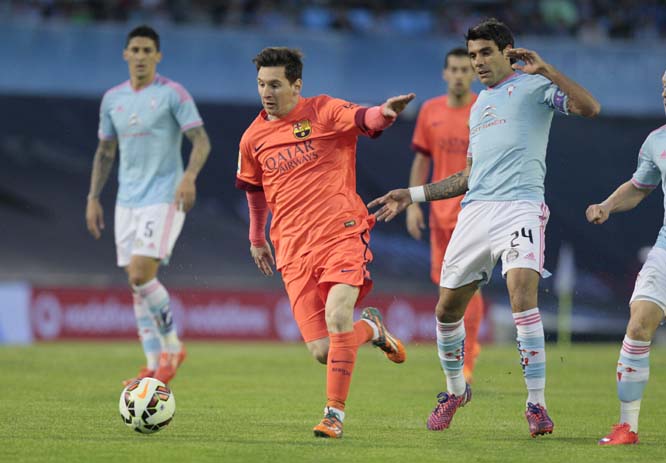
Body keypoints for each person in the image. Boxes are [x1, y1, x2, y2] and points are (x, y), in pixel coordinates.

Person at [368, 18, 600, 437]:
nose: (477, 62)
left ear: (508, 51)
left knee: (521, 297)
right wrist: (412, 194)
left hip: (521, 208)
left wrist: (547, 69)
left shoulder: (535, 89)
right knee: (446, 310)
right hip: (475, 212)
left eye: (485, 53)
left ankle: (536, 404)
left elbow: (589, 108)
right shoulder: (479, 106)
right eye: (472, 55)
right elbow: (467, 178)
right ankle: (456, 391)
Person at [235, 47, 413, 438]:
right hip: (292, 250)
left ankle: (334, 414)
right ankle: (371, 329)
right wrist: (256, 237)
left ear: (296, 84)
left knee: (336, 317)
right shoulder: (253, 138)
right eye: (262, 84)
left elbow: (362, 119)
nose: (267, 92)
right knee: (322, 351)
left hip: (341, 232)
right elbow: (254, 190)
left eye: (275, 84)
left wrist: (385, 112)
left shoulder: (323, 111)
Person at [85, 25, 211, 385]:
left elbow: (201, 142)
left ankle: (173, 347)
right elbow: (105, 151)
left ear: (158, 56)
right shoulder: (112, 100)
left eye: (147, 50)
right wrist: (94, 197)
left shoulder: (173, 94)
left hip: (165, 195)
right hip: (126, 201)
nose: (140, 56)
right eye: (135, 50)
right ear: (125, 54)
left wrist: (189, 177)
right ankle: (153, 366)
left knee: (141, 273)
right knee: (135, 284)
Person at [588, 71, 666, 446]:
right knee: (637, 327)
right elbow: (639, 187)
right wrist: (607, 205)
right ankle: (627, 426)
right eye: (665, 87)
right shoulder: (656, 142)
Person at [407, 47, 485, 382]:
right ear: (444, 73)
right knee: (445, 289)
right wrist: (413, 203)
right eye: (453, 69)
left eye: (464, 70)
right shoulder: (430, 111)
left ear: (474, 74)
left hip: (475, 209)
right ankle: (461, 354)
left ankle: (466, 360)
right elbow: (423, 159)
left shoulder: (484, 107)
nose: (458, 75)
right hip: (440, 214)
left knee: (471, 285)